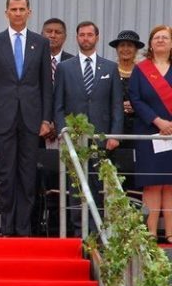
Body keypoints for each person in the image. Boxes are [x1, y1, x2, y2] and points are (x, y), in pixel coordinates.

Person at [0, 0, 52, 236]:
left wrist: (46, 118)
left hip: (31, 119)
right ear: (6, 12)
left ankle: (24, 228)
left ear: (29, 12)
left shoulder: (40, 43)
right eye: (14, 9)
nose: (18, 13)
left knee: (27, 174)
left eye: (22, 9)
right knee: (6, 174)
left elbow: (46, 84)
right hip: (3, 118)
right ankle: (7, 227)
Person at [53, 21, 122, 234]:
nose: (85, 38)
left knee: (100, 185)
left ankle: (100, 231)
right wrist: (64, 133)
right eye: (81, 35)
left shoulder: (110, 67)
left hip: (102, 138)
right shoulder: (65, 67)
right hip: (74, 139)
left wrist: (115, 134)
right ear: (77, 38)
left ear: (97, 37)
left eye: (89, 34)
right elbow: (58, 105)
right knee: (76, 186)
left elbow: (116, 105)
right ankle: (78, 231)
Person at [128, 25, 172, 241]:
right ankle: (151, 231)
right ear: (150, 43)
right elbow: (135, 99)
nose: (161, 41)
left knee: (171, 183)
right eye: (157, 37)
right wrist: (158, 121)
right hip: (149, 132)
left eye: (165, 37)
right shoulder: (140, 69)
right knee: (152, 183)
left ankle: (171, 232)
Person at [40, 18, 75, 147]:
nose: (53, 35)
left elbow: (75, 97)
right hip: (36, 128)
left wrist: (58, 124)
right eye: (49, 31)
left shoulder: (74, 63)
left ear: (65, 37)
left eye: (57, 32)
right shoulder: (32, 61)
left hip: (66, 128)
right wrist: (44, 122)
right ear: (42, 34)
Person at [109, 30, 144, 135]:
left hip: (139, 125)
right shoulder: (109, 71)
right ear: (116, 49)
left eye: (129, 45)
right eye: (122, 45)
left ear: (136, 49)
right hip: (112, 127)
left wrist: (137, 106)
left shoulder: (144, 72)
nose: (125, 49)